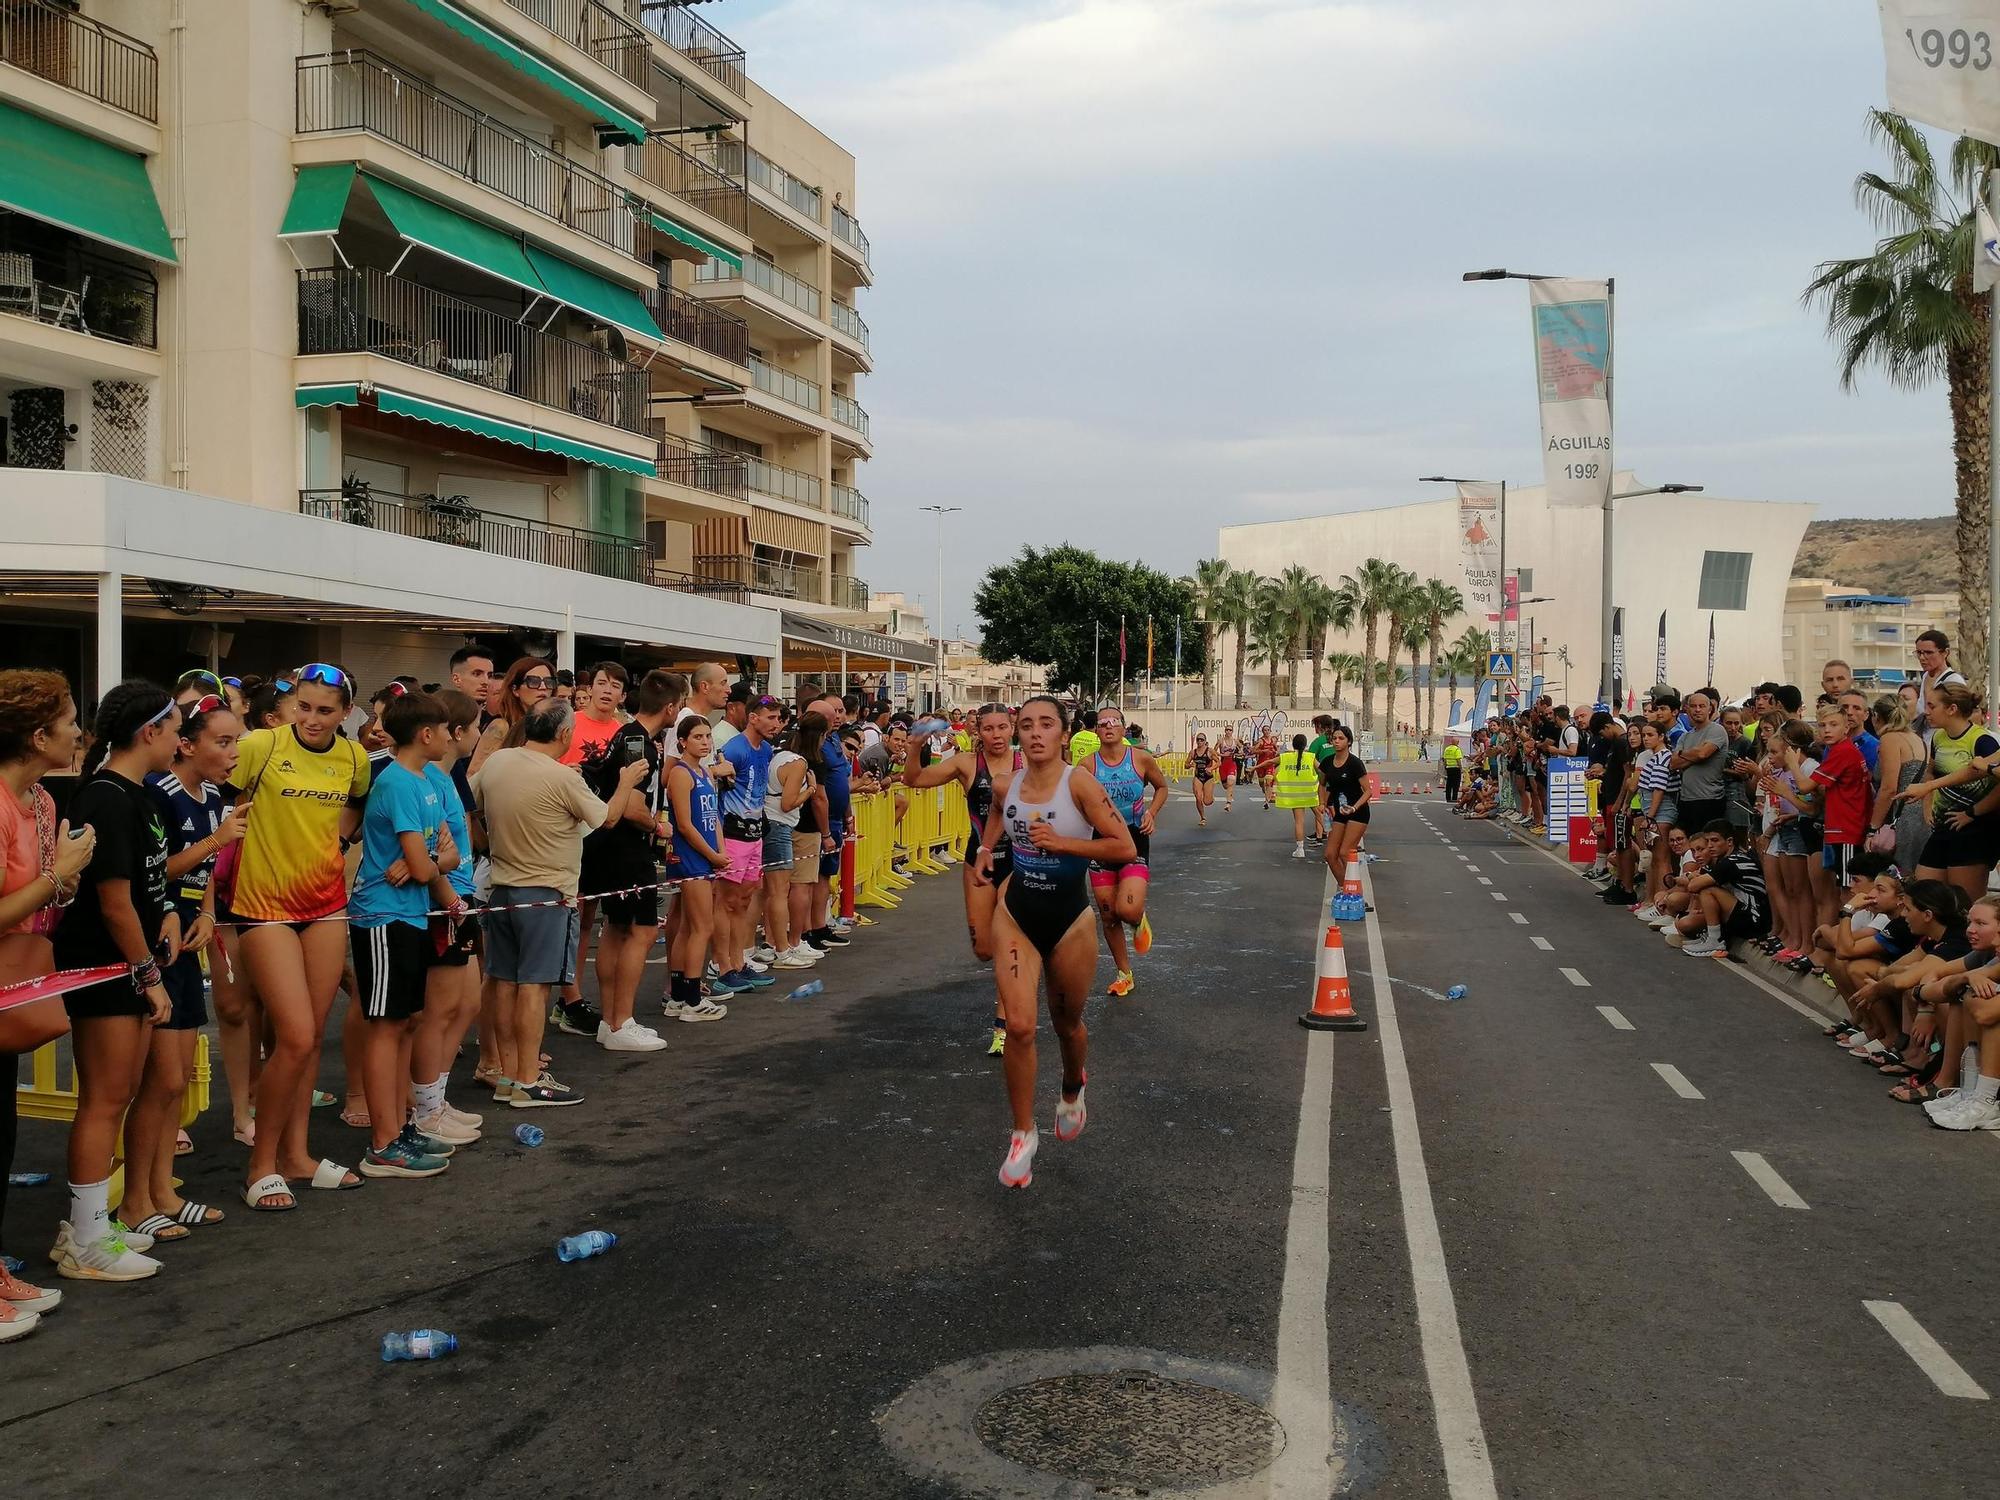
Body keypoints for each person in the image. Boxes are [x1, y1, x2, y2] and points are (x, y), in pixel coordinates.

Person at [970, 696, 1135, 1189]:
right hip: (1017, 912)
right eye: (1026, 725)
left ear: (1064, 734)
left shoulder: (1078, 784)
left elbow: (1122, 846)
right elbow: (999, 809)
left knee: (1067, 1025)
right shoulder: (1009, 782)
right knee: (1019, 1027)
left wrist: (1063, 844)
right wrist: (984, 848)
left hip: (1070, 919)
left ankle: (1071, 1087)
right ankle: (1023, 1133)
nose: (1035, 733)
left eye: (1046, 724)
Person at [228, 665, 372, 1212]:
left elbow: (356, 801)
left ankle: (297, 1155)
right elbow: (211, 777)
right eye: (304, 707)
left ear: (344, 714)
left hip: (327, 905)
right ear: (290, 705)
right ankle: (259, 1166)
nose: (312, 719)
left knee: (311, 1038)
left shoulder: (354, 758)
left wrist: (339, 838)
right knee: (292, 1035)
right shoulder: (262, 745)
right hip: (263, 906)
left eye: (325, 710)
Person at [51, 683, 181, 1280]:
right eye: (176, 728)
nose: (180, 740)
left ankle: (95, 1228)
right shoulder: (107, 797)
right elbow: (114, 904)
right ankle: (84, 1236)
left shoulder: (140, 797)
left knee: (119, 1094)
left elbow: (151, 888)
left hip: (128, 963)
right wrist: (148, 972)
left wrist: (172, 918)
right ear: (149, 732)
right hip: (107, 966)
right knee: (103, 1099)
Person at [475, 700, 648, 1109]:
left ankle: (507, 1072)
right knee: (533, 986)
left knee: (501, 980)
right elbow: (606, 818)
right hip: (547, 893)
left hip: (502, 888)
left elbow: (473, 796)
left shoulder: (499, 763)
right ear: (564, 735)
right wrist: (625, 782)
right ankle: (528, 1079)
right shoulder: (560, 777)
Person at [119, 696, 242, 1244]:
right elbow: (156, 869)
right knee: (161, 1078)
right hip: (156, 943)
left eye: (236, 740)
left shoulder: (214, 796)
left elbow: (208, 874)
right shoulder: (159, 795)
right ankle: (134, 1200)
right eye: (223, 741)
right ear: (185, 745)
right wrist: (216, 841)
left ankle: (162, 1191)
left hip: (190, 939)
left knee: (179, 1080)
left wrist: (211, 914)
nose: (233, 752)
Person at [0, 671, 97, 1330]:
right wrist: (59, 876)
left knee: (0, 1138)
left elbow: (41, 901)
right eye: (68, 722)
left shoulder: (39, 799)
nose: (79, 734)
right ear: (39, 735)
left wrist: (61, 885)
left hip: (11, 987)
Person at [349, 693, 462, 1178]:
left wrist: (434, 863)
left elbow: (441, 858)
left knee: (406, 1021)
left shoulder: (423, 781)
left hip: (411, 914)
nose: (450, 735)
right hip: (382, 916)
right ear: (426, 734)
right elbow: (428, 861)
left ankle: (398, 1128)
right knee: (387, 1025)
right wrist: (437, 862)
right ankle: (383, 1142)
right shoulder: (396, 782)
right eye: (444, 728)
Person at [904, 704, 1018, 1051]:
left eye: (1002, 728)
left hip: (1020, 860)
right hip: (977, 861)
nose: (996, 736)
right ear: (976, 732)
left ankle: (1004, 1024)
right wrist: (914, 746)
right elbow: (914, 780)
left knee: (1008, 940)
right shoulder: (967, 764)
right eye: (988, 729)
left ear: (1012, 729)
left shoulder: (1027, 764)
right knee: (984, 949)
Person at [576, 670, 677, 1049]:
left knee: (617, 931)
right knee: (641, 930)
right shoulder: (639, 742)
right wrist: (657, 827)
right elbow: (633, 803)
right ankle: (621, 1022)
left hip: (606, 846)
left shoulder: (626, 733)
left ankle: (611, 1021)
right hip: (624, 847)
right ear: (669, 707)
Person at [412, 690, 489, 1144]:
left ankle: (435, 1097)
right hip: (445, 904)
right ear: (454, 732)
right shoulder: (427, 780)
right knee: (437, 1012)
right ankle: (425, 1108)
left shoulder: (447, 779)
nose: (481, 736)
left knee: (467, 1004)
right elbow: (431, 852)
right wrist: (452, 903)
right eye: (475, 727)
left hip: (459, 897)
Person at [1085, 707, 1168, 997]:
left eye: (1114, 722)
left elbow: (1161, 787)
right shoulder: (1086, 766)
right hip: (1101, 842)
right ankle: (1124, 974)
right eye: (1102, 723)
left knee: (1127, 908)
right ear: (1096, 730)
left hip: (1134, 839)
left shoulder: (1141, 758)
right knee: (1108, 916)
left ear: (1123, 729)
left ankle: (1137, 918)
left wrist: (1152, 813)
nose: (1108, 726)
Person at [1901, 682, 2000, 903]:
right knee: (1923, 894)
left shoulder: (1981, 740)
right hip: (1944, 824)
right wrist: (1928, 805)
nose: (1926, 712)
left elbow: (1994, 784)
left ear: (1952, 709)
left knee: (1965, 902)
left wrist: (1972, 813)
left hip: (1974, 828)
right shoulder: (1938, 737)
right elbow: (1931, 773)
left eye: (1931, 706)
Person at [713, 693, 782, 993]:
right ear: (753, 717)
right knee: (727, 900)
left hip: (754, 832)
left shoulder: (765, 749)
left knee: (743, 899)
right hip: (732, 832)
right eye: (770, 718)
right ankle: (722, 966)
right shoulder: (735, 748)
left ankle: (738, 961)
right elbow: (715, 783)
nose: (776, 724)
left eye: (779, 718)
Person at [663, 714, 730, 1022]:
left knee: (692, 926)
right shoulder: (680, 774)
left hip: (706, 855)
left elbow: (712, 816)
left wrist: (721, 849)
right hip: (691, 857)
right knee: (702, 927)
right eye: (697, 737)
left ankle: (678, 996)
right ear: (682, 742)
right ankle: (691, 999)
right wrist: (711, 856)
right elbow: (685, 825)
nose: (704, 742)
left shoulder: (705, 772)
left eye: (707, 737)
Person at [1666, 821, 1770, 958]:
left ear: (1730, 841)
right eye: (1708, 841)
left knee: (1707, 890)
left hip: (1754, 919)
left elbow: (1693, 886)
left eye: (1714, 841)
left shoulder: (1732, 861)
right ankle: (1710, 935)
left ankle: (1715, 940)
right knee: (1686, 920)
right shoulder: (1723, 860)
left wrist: (1691, 876)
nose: (1710, 846)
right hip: (1744, 913)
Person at [1318, 726, 1372, 884]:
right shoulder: (1327, 762)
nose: (1336, 741)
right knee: (1329, 854)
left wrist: (1354, 807)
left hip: (1358, 812)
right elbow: (1321, 784)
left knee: (1344, 852)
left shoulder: (1355, 763)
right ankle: (1345, 888)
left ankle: (1357, 892)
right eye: (1334, 738)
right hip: (1339, 813)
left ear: (1349, 742)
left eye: (1341, 738)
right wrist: (1323, 803)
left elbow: (1368, 791)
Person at [1275, 733, 1319, 860]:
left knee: (1299, 822)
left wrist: (1255, 767)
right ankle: (1335, 840)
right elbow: (1322, 770)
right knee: (1321, 816)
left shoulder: (1286, 757)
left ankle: (1300, 849)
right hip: (1311, 794)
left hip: (1295, 796)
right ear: (1305, 745)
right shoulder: (1311, 757)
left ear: (1293, 745)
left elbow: (1270, 762)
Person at [1189, 732, 1216, 826]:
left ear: (1205, 741)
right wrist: (1190, 765)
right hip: (1198, 777)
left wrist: (1211, 768)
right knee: (1198, 797)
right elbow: (1186, 764)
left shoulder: (1210, 751)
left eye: (1202, 740)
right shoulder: (1193, 752)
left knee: (1207, 802)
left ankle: (1210, 796)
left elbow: (1219, 762)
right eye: (1198, 739)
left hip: (1208, 777)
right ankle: (1202, 817)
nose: (1199, 741)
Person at [1217, 725, 1242, 812]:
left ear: (1232, 731)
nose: (1228, 731)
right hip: (1223, 765)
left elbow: (1241, 749)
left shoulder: (1235, 741)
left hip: (1232, 763)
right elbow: (1213, 752)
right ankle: (1230, 794)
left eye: (1230, 730)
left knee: (1230, 780)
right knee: (1225, 786)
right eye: (1227, 730)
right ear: (1225, 731)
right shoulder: (1221, 741)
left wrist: (1238, 753)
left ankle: (1228, 803)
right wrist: (1222, 755)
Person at [1442, 735, 1463, 804]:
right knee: (1456, 784)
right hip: (1456, 768)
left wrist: (1445, 766)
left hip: (1449, 768)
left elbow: (1444, 759)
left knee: (1449, 784)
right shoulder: (1457, 749)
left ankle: (1448, 798)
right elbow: (1458, 760)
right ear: (1457, 742)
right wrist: (1461, 768)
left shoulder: (1447, 749)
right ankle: (1454, 798)